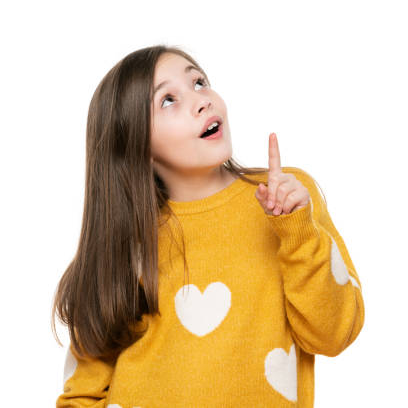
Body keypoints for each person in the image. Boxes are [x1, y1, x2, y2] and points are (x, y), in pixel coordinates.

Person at [52, 44, 365, 407]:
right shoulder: (126, 241)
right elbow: (82, 393)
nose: (201, 100)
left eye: (199, 82)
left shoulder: (290, 197)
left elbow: (334, 334)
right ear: (138, 145)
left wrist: (296, 231)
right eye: (168, 100)